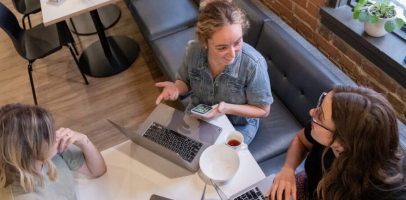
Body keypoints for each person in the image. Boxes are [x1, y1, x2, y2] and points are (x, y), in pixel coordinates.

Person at [154, 0, 273, 145]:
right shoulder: (193, 51)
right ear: (205, 42)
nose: (232, 53)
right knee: (179, 149)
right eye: (222, 48)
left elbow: (263, 110)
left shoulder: (253, 64)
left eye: (237, 42)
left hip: (238, 125)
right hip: (200, 113)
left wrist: (225, 108)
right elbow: (185, 83)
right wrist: (176, 88)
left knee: (215, 160)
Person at [266, 85, 406, 200]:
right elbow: (300, 140)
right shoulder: (324, 133)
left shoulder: (384, 191)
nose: (312, 112)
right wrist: (288, 169)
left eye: (320, 117)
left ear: (343, 145)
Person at [0, 104, 107, 200]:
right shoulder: (23, 196)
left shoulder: (51, 151)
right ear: (29, 152)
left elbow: (97, 170)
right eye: (48, 135)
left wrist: (82, 139)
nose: (57, 134)